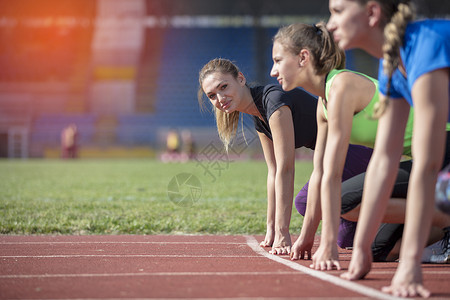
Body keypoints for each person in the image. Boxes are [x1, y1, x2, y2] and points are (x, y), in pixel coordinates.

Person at [271, 22, 450, 268]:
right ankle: (440, 234)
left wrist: (328, 244)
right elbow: (320, 172)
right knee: (378, 249)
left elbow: (334, 173)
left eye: (278, 60)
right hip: (422, 159)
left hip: (443, 149)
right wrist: (307, 237)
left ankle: (446, 218)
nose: (273, 70)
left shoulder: (342, 86)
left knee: (346, 201)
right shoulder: (322, 104)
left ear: (303, 57)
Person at [327, 0, 450, 297]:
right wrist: (362, 249)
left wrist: (409, 265)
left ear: (372, 13)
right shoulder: (391, 63)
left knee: (444, 191)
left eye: (338, 11)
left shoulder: (427, 45)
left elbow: (427, 164)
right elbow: (384, 158)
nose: (330, 24)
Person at [198, 58, 375, 255]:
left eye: (223, 87)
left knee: (305, 202)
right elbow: (272, 171)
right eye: (212, 95)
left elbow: (286, 169)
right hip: (338, 155)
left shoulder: (274, 101)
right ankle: (392, 227)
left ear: (240, 79)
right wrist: (271, 228)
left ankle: (393, 211)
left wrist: (283, 233)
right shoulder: (258, 114)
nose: (220, 98)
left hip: (356, 148)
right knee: (347, 239)